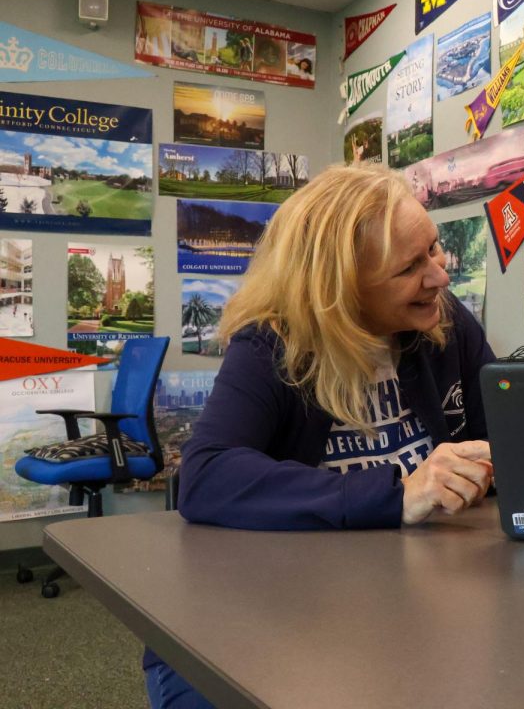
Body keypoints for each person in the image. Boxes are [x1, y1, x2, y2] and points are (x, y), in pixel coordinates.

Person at [144, 164, 496, 708]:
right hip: (255, 617)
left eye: (434, 248)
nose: (440, 276)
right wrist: (397, 493)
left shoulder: (446, 325)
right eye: (410, 267)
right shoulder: (271, 344)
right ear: (340, 288)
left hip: (400, 604)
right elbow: (205, 476)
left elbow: (508, 445)